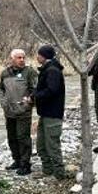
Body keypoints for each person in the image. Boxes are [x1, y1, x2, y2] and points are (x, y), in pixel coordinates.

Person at [0, 48, 38, 175]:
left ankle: (25, 164)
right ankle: (16, 160)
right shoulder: (5, 73)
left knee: (23, 138)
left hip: (23, 112)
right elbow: (1, 90)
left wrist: (29, 103)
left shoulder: (30, 72)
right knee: (12, 137)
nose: (22, 60)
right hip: (9, 112)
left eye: (23, 57)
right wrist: (3, 103)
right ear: (12, 59)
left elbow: (36, 90)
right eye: (19, 58)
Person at [32, 45, 67, 179]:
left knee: (52, 146)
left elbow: (51, 91)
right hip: (45, 114)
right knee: (41, 145)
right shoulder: (48, 69)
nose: (37, 56)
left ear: (43, 56)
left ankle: (59, 174)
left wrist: (35, 96)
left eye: (38, 54)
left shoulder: (52, 70)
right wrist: (34, 94)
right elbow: (45, 89)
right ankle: (47, 170)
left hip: (53, 114)